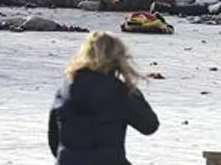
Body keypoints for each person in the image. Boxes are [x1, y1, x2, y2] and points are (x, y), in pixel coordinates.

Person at [48, 31, 159, 164]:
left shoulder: (65, 89)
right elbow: (149, 126)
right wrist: (133, 91)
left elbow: (54, 138)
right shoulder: (120, 92)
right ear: (118, 59)